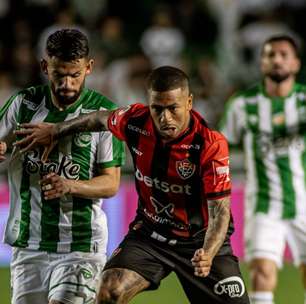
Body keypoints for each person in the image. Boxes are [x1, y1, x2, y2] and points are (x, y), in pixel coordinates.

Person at [14, 66, 250, 304]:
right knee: (109, 292)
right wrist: (57, 130)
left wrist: (208, 253)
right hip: (150, 236)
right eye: (157, 108)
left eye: (173, 108)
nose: (164, 118)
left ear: (189, 102)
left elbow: (220, 211)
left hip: (201, 241)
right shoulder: (136, 121)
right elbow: (99, 118)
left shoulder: (209, 143)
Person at [0, 28, 125, 304]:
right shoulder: (23, 105)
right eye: (59, 74)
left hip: (80, 245)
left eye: (74, 74)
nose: (67, 83)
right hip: (28, 245)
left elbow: (111, 183)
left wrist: (70, 185)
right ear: (45, 66)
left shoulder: (102, 114)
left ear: (89, 68)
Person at [219, 35, 306, 304]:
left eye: (283, 54)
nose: (277, 59)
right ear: (262, 63)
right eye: (270, 55)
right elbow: (222, 147)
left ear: (296, 63)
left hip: (304, 202)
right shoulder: (242, 105)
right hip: (264, 203)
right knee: (261, 270)